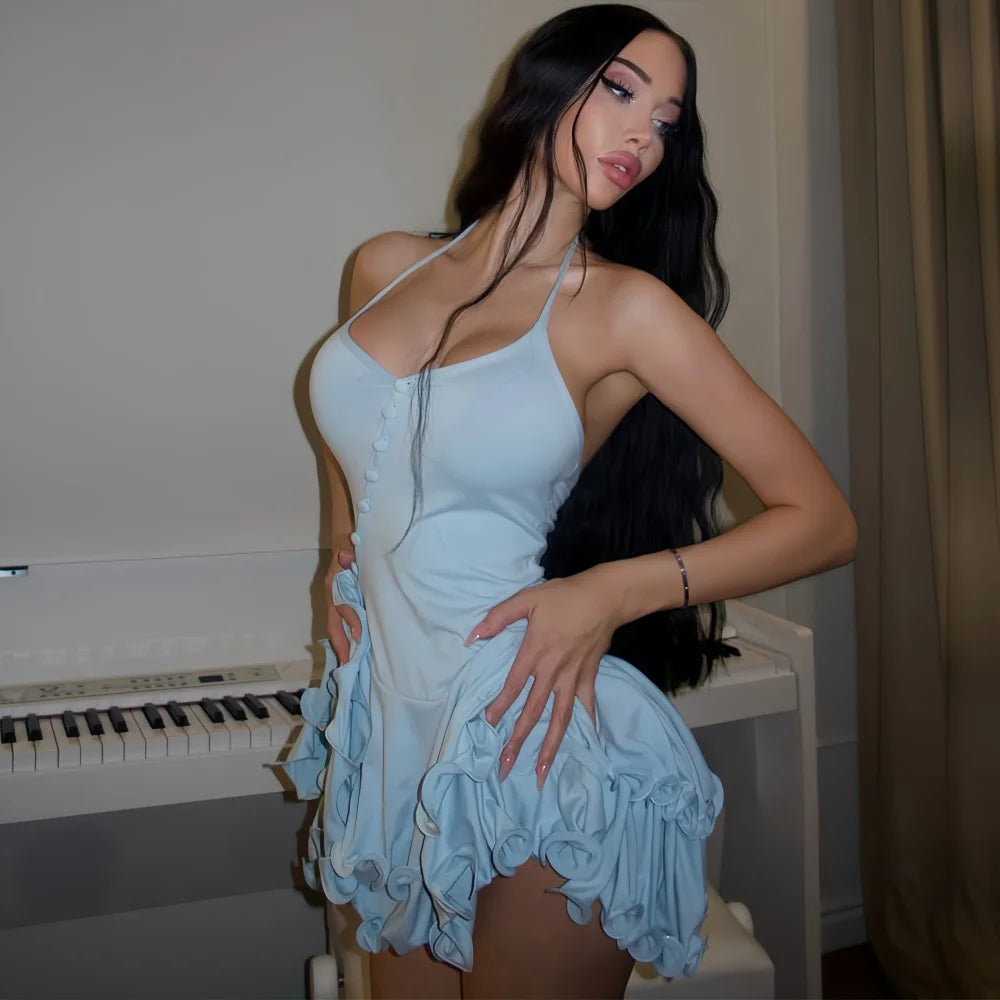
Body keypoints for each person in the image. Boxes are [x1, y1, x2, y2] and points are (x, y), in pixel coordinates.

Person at [279, 4, 857, 998]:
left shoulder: (626, 309)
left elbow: (823, 520)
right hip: (394, 723)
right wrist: (337, 552)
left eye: (667, 120)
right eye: (622, 90)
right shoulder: (384, 265)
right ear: (541, 84)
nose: (644, 135)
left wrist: (610, 591)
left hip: (527, 726)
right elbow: (360, 434)